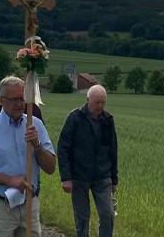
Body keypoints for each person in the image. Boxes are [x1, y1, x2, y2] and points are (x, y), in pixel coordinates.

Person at [0, 76, 56, 237]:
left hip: (29, 202)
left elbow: (50, 168)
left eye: (22, 99)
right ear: (1, 100)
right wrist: (9, 180)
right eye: (14, 99)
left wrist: (37, 146)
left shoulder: (35, 125)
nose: (20, 104)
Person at [57, 84, 118, 237]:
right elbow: (63, 148)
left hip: (102, 176)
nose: (100, 106)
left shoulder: (108, 120)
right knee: (82, 217)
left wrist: (114, 179)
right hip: (79, 176)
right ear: (88, 100)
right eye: (97, 102)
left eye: (103, 102)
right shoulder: (75, 118)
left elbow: (112, 149)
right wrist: (66, 178)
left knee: (108, 214)